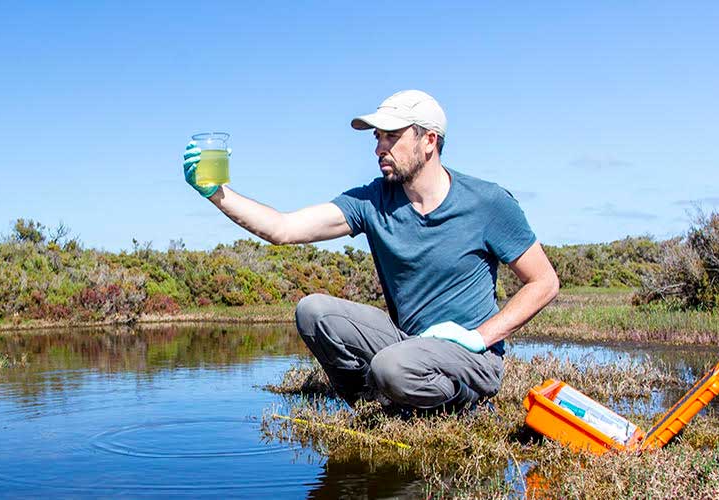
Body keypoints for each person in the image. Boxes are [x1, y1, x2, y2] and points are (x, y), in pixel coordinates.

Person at [182, 90, 560, 413]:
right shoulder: (373, 200)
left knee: (393, 366)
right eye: (377, 137)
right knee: (313, 312)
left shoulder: (487, 203)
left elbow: (543, 282)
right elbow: (284, 229)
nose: (379, 148)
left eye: (391, 137)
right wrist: (218, 194)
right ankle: (372, 401)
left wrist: (480, 336)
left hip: (471, 356)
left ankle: (459, 400)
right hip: (406, 342)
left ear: (429, 141)